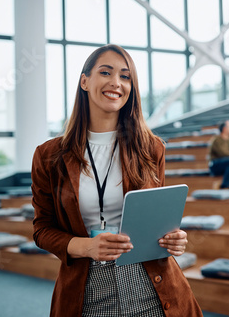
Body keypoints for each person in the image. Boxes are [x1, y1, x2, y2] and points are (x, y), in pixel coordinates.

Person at [31, 44, 203, 316]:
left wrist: (175, 239)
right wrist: (87, 246)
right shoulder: (49, 155)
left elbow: (156, 217)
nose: (116, 83)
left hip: (153, 289)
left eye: (125, 76)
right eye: (106, 72)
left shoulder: (151, 147)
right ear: (84, 81)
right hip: (88, 293)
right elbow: (42, 229)